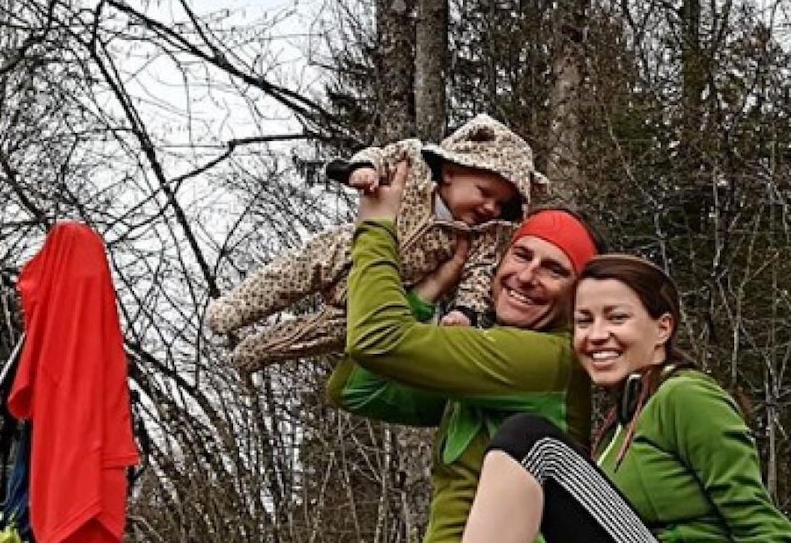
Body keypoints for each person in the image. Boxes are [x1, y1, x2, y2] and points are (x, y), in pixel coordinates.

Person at [202, 175, 605, 543]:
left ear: (575, 299)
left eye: (554, 270)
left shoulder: (551, 361)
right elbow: (356, 388)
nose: (527, 277)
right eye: (521, 256)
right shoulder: (488, 365)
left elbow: (378, 339)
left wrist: (377, 230)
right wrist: (430, 291)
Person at [373, 254, 791, 543]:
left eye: (617, 317)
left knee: (529, 439)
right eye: (584, 321)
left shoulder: (687, 397)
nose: (596, 335)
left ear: (663, 328)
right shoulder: (615, 426)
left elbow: (758, 520)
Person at [205, 115, 548, 373]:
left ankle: (251, 355)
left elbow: (478, 276)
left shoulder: (478, 238)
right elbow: (382, 155)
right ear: (451, 171)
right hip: (346, 250)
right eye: (485, 194)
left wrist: (465, 311)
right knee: (289, 273)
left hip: (383, 290)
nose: (490, 208)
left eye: (501, 205)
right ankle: (230, 312)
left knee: (318, 335)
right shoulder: (414, 166)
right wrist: (364, 169)